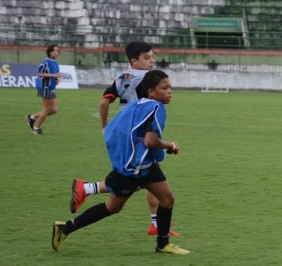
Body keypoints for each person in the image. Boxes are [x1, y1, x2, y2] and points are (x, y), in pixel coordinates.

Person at [52, 70, 188, 255]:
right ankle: (65, 228)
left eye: (170, 87)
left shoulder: (138, 105)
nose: (169, 91)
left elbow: (119, 131)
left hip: (145, 165)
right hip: (132, 170)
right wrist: (170, 145)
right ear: (151, 92)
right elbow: (151, 141)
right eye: (164, 88)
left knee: (167, 199)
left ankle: (163, 244)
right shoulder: (157, 108)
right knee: (113, 207)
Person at [69, 41, 179, 237]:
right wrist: (168, 144)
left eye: (152, 56)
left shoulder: (121, 77)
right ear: (134, 60)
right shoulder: (149, 80)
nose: (151, 61)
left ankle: (156, 225)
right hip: (139, 138)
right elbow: (149, 132)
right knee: (131, 185)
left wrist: (105, 127)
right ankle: (84, 191)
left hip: (123, 134)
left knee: (147, 180)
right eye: (147, 57)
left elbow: (104, 103)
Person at [25, 44, 64, 135]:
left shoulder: (56, 63)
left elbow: (56, 74)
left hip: (51, 88)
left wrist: (57, 79)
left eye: (58, 51)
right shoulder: (45, 62)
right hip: (45, 87)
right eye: (54, 50)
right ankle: (35, 129)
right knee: (46, 110)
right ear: (50, 52)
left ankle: (32, 117)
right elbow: (40, 73)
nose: (56, 52)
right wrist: (54, 75)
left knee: (54, 110)